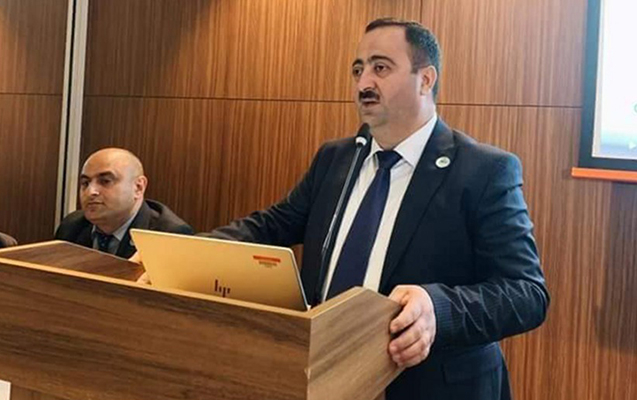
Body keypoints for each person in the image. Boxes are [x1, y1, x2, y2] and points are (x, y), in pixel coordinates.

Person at [140, 18, 549, 400]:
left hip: (431, 386)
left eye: (380, 68)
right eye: (358, 69)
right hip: (326, 376)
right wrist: (184, 255)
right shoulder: (336, 158)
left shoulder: (483, 170)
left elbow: (526, 293)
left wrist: (438, 309)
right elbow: (272, 225)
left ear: (425, 79)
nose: (363, 83)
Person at [56, 148, 193, 258]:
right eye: (85, 183)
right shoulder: (72, 227)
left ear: (138, 187)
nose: (91, 191)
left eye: (105, 181)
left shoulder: (169, 236)